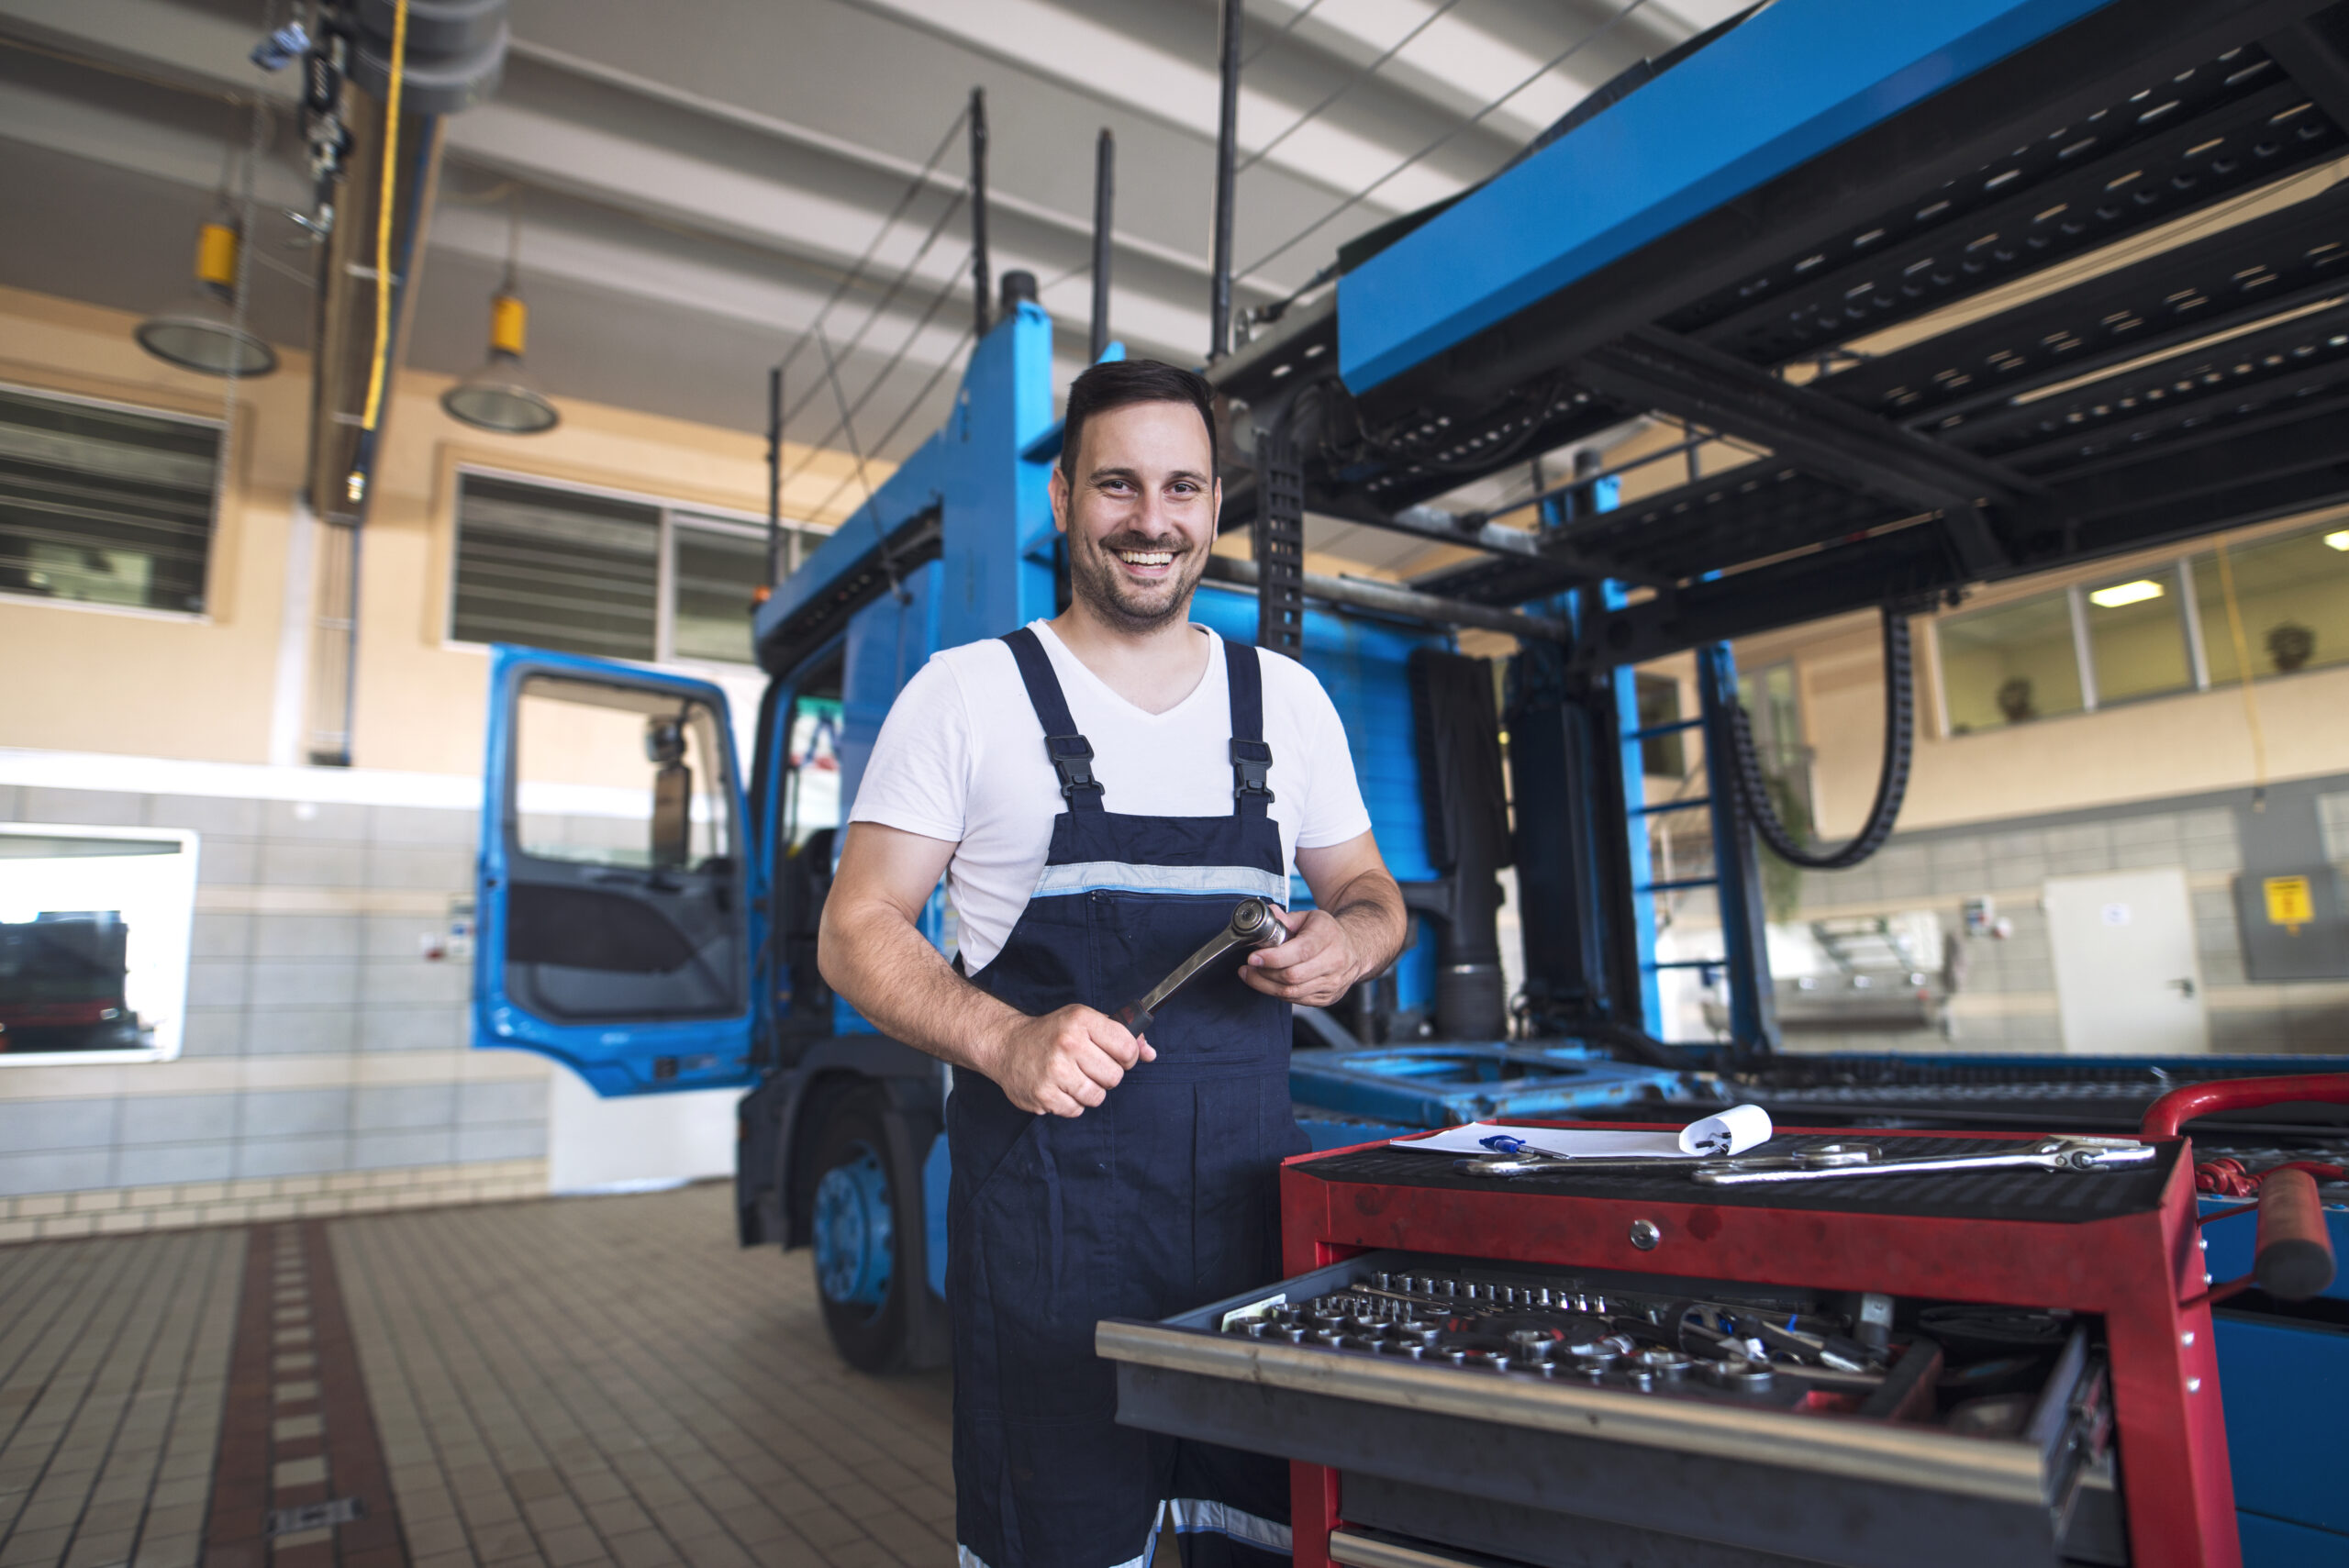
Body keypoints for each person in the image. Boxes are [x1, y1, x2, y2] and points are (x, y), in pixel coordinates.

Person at [818, 358, 1408, 1568]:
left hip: (1252, 1238)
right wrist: (1002, 1037)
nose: (1152, 518)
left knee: (1268, 1540)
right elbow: (858, 923)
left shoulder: (1284, 703)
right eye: (1120, 484)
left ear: (1214, 504)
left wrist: (1346, 940)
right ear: (1062, 495)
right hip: (1049, 1250)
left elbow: (1371, 893)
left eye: (1182, 486)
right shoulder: (969, 696)